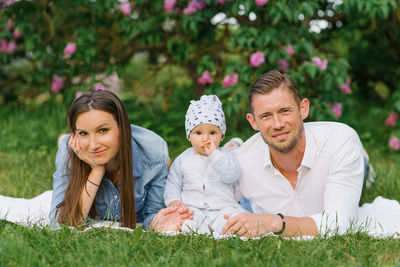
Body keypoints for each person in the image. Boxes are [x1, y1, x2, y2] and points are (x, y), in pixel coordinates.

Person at [222, 70, 365, 237]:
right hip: (253, 181)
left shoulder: (340, 143)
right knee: (246, 200)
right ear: (253, 122)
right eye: (266, 116)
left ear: (303, 109)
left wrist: (274, 223)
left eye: (284, 111)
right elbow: (204, 196)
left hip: (346, 161)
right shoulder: (240, 162)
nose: (277, 124)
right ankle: (232, 147)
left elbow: (341, 224)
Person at [49, 89, 192, 230]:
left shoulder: (154, 152)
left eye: (103, 130)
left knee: (162, 162)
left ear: (122, 127)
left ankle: (166, 162)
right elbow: (61, 223)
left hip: (146, 155)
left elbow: (152, 213)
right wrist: (97, 170)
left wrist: (156, 222)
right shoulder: (70, 150)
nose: (93, 146)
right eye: (83, 133)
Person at [164, 95, 244, 234]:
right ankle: (195, 229)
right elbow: (173, 183)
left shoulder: (225, 156)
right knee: (189, 220)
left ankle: (226, 228)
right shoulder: (183, 159)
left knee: (231, 218)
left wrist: (215, 154)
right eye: (198, 133)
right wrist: (174, 200)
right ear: (189, 136)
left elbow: (233, 175)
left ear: (222, 136)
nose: (206, 139)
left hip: (222, 206)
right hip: (193, 207)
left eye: (212, 133)